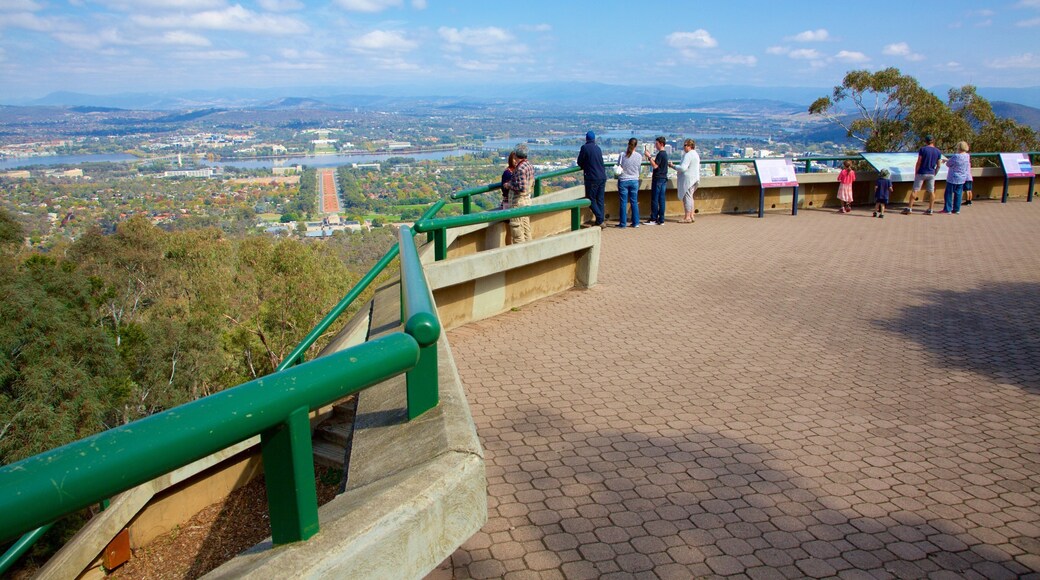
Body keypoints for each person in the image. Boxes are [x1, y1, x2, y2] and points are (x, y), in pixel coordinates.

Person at [904, 135, 942, 215]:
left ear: (926, 141)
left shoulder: (923, 149)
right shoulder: (938, 151)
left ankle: (910, 208)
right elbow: (939, 165)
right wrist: (935, 173)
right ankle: (930, 209)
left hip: (921, 172)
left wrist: (916, 172)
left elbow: (919, 162)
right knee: (931, 191)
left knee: (915, 190)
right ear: (933, 141)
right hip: (931, 173)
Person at [577, 131, 607, 227]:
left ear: (586, 139)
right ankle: (600, 221)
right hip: (602, 176)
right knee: (600, 200)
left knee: (591, 199)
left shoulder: (585, 148)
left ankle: (600, 219)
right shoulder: (598, 148)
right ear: (594, 139)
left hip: (592, 178)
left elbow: (579, 162)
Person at [507, 144, 534, 243]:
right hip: (526, 201)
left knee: (517, 231)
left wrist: (509, 185)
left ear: (515, 155)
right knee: (526, 229)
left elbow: (521, 188)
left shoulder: (520, 169)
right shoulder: (529, 165)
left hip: (518, 202)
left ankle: (520, 250)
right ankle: (529, 249)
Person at [669, 139, 700, 223]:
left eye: (685, 145)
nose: (684, 147)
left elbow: (683, 168)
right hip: (694, 178)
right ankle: (691, 215)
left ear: (690, 146)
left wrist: (673, 166)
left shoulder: (688, 155)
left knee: (687, 198)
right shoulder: (695, 154)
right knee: (690, 197)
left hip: (688, 180)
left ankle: (687, 217)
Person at [615, 138, 642, 228]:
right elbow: (639, 169)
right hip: (634, 180)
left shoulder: (622, 155)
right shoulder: (639, 156)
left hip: (623, 180)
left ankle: (623, 223)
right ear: (636, 145)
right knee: (634, 202)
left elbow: (619, 167)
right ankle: (636, 222)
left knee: (623, 202)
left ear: (628, 144)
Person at [943, 141, 971, 214]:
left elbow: (949, 164)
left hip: (953, 177)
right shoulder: (967, 156)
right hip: (962, 177)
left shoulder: (956, 156)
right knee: (958, 194)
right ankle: (956, 209)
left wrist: (947, 161)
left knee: (948, 194)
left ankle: (948, 209)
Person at [645, 136, 668, 225]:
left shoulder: (660, 154)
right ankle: (661, 219)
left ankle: (653, 218)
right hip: (663, 178)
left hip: (658, 179)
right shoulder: (665, 154)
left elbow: (655, 166)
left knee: (655, 199)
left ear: (661, 144)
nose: (655, 145)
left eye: (657, 144)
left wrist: (649, 157)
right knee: (661, 199)